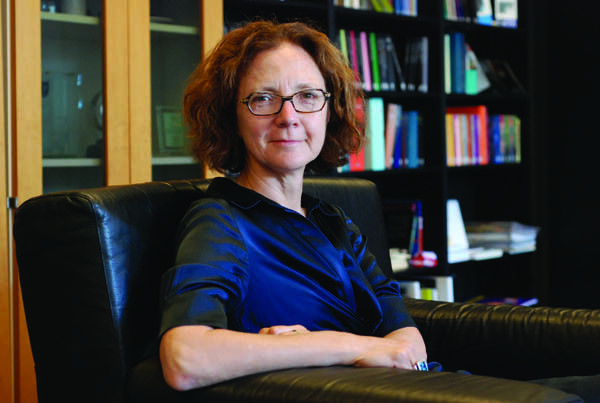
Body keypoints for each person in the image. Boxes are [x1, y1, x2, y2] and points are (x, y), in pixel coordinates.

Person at [158, 20, 600, 401]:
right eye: (263, 98)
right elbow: (185, 358)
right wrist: (351, 346)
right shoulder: (220, 220)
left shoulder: (334, 220)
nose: (288, 115)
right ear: (230, 117)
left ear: (328, 111)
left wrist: (377, 349)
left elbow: (405, 334)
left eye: (307, 96)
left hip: (430, 386)